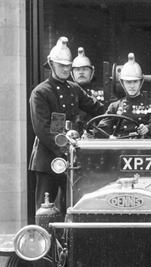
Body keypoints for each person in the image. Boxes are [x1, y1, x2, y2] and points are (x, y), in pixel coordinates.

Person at [29, 37, 105, 213]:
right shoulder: (40, 92)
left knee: (72, 207)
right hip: (49, 159)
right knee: (44, 208)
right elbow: (42, 129)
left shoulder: (74, 89)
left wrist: (95, 129)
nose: (65, 68)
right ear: (51, 63)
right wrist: (64, 147)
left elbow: (99, 110)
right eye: (60, 64)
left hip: (73, 160)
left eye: (67, 65)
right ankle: (45, 240)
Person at [104, 53, 151, 138]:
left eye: (135, 81)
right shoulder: (114, 107)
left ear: (141, 81)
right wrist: (92, 134)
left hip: (143, 147)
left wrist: (147, 128)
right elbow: (103, 127)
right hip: (120, 147)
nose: (132, 86)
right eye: (128, 82)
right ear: (122, 82)